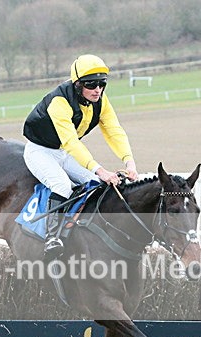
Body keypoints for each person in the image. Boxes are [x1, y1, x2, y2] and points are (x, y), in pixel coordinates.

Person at [23, 54, 139, 258]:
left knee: (97, 184)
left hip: (63, 152)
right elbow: (71, 142)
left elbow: (113, 130)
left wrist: (129, 162)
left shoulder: (100, 100)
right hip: (39, 151)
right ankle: (52, 237)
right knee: (62, 186)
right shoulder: (59, 101)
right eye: (91, 84)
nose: (97, 90)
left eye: (102, 84)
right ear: (77, 85)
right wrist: (101, 170)